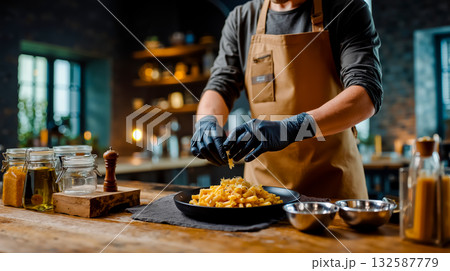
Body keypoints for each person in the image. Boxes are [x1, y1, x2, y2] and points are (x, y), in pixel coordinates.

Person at [191, 0, 382, 198]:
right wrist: (207, 121)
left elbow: (366, 94)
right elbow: (221, 84)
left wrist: (289, 129)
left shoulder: (346, 8)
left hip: (333, 191)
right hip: (260, 197)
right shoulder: (241, 19)